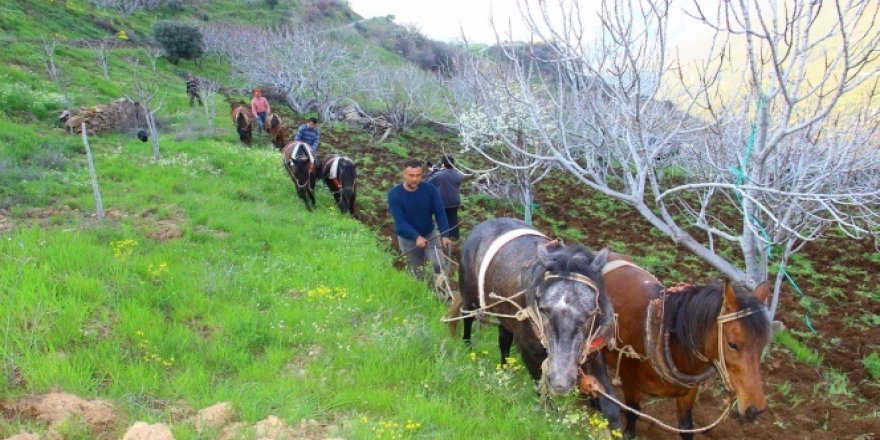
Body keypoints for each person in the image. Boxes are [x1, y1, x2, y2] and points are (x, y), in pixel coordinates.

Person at [388, 159, 452, 281]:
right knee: (417, 271)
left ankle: (443, 292)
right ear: (404, 175)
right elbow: (400, 223)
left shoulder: (430, 190)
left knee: (438, 265)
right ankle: (423, 294)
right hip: (408, 239)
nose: (415, 179)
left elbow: (439, 212)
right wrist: (416, 236)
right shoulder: (394, 195)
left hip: (429, 234)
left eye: (418, 175)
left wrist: (445, 234)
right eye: (411, 175)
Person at [426, 155, 464, 240]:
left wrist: (432, 172)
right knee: (453, 219)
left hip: (442, 202)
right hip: (454, 201)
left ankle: (444, 237)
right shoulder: (458, 174)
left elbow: (428, 183)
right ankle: (454, 237)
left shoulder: (438, 175)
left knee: (442, 220)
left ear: (443, 164)